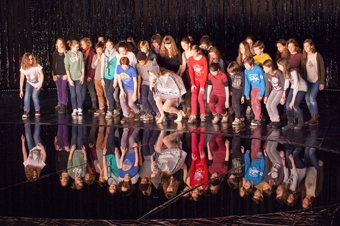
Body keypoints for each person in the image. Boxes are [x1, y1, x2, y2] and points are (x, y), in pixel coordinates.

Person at [277, 58, 307, 130]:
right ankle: (290, 123)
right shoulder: (286, 72)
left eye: (279, 66)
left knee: (295, 105)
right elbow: (287, 83)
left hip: (301, 88)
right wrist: (283, 94)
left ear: (284, 65)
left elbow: (297, 85)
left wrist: (293, 100)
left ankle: (300, 122)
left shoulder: (293, 71)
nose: (278, 67)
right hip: (293, 87)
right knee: (287, 105)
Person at [301, 39, 325, 125]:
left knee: (312, 98)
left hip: (316, 80)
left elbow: (322, 69)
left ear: (311, 46)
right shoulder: (304, 56)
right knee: (307, 98)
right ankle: (312, 116)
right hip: (309, 80)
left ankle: (315, 116)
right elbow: (303, 70)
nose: (305, 48)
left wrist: (322, 82)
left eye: (307, 46)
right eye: (304, 46)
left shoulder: (317, 55)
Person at [136, 51, 160, 121]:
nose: (141, 64)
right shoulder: (138, 65)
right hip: (144, 83)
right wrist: (138, 90)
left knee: (150, 98)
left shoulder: (152, 64)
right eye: (140, 62)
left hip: (152, 82)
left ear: (146, 59)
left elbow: (157, 75)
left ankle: (157, 111)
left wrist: (153, 84)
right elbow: (139, 77)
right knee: (144, 98)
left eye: (142, 62)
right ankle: (148, 113)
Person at [188, 44, 209, 123]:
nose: (192, 55)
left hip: (202, 80)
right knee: (193, 96)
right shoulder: (190, 59)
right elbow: (191, 71)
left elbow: (206, 72)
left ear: (198, 52)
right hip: (195, 80)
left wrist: (203, 86)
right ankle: (193, 114)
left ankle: (203, 114)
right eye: (191, 53)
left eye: (194, 53)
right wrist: (192, 83)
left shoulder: (203, 59)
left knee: (200, 97)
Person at [19, 53, 44, 118]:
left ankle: (37, 110)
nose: (31, 61)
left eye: (31, 59)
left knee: (34, 96)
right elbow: (22, 78)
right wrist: (21, 90)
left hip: (37, 83)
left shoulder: (36, 66)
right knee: (27, 95)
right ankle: (26, 110)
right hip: (29, 83)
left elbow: (42, 75)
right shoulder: (23, 67)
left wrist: (40, 85)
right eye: (29, 59)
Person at [263, 59, 286, 128]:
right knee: (267, 105)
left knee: (273, 104)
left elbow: (283, 83)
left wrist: (283, 95)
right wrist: (266, 96)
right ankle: (272, 120)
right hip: (274, 90)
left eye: (265, 68)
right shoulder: (266, 74)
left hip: (280, 90)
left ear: (270, 67)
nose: (264, 69)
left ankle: (277, 120)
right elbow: (267, 86)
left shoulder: (278, 73)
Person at [117, 57, 141, 124]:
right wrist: (121, 90)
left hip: (131, 88)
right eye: (123, 67)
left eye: (126, 67)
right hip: (124, 87)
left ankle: (137, 111)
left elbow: (135, 82)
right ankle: (125, 115)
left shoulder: (132, 70)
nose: (125, 68)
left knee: (131, 103)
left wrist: (134, 94)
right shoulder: (119, 68)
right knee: (122, 100)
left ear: (128, 64)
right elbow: (119, 79)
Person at [243, 56, 265, 126]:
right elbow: (247, 82)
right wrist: (246, 93)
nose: (245, 67)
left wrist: (261, 93)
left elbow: (262, 82)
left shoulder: (258, 69)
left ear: (251, 64)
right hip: (253, 88)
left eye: (246, 65)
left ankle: (258, 118)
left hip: (260, 88)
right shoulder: (246, 71)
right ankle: (259, 117)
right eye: (245, 65)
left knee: (256, 102)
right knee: (252, 103)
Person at [64, 40, 85, 116]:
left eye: (78, 47)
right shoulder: (68, 55)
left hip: (79, 77)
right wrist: (69, 79)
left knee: (78, 92)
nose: (77, 48)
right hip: (72, 77)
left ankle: (79, 108)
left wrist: (82, 75)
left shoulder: (79, 54)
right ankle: (74, 108)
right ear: (72, 47)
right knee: (73, 94)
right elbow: (67, 67)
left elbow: (82, 65)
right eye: (76, 47)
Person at [103, 39, 119, 119]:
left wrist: (116, 80)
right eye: (107, 45)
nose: (109, 47)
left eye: (110, 45)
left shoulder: (116, 54)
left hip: (114, 76)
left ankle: (110, 110)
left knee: (109, 93)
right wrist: (102, 78)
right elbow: (102, 65)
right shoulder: (104, 54)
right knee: (107, 94)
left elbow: (117, 66)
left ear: (113, 45)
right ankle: (115, 108)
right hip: (106, 76)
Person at [80, 37, 97, 112]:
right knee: (82, 89)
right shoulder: (82, 52)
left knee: (91, 89)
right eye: (81, 44)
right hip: (83, 74)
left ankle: (94, 105)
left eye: (83, 44)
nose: (82, 45)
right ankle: (82, 104)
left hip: (90, 74)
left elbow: (93, 66)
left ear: (87, 43)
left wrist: (90, 75)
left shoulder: (92, 52)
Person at [67, 126, 87, 190]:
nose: (81, 181)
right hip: (81, 152)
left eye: (79, 182)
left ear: (75, 183)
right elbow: (85, 163)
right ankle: (80, 122)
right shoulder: (83, 174)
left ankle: (75, 123)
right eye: (82, 182)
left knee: (74, 136)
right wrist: (84, 152)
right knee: (79, 138)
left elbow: (69, 161)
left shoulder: (71, 173)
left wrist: (72, 151)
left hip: (74, 151)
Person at [52, 38, 67, 114]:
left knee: (63, 90)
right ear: (56, 44)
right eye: (58, 43)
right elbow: (54, 64)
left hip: (64, 73)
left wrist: (67, 74)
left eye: (61, 43)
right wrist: (54, 74)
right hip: (58, 73)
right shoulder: (55, 53)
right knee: (59, 90)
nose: (60, 44)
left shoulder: (66, 53)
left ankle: (64, 105)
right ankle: (61, 103)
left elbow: (68, 64)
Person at [91, 42, 107, 116]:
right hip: (97, 77)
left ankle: (109, 107)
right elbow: (93, 66)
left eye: (100, 50)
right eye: (97, 50)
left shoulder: (105, 56)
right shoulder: (95, 56)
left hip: (104, 77)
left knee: (106, 93)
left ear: (103, 49)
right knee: (99, 94)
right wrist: (97, 59)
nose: (98, 51)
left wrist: (101, 58)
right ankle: (101, 107)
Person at [180, 36, 193, 117]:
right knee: (188, 91)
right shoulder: (184, 53)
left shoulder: (193, 51)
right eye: (182, 46)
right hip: (188, 73)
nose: (183, 47)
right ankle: (188, 109)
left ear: (189, 44)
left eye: (184, 45)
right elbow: (184, 66)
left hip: (196, 72)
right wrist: (179, 76)